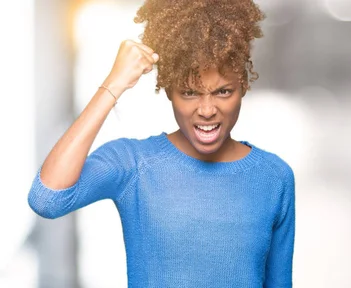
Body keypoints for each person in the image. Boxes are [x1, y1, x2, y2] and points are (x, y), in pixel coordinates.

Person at [27, 0, 295, 287]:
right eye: (189, 92)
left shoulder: (274, 177)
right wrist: (114, 84)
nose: (206, 110)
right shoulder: (134, 165)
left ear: (243, 85)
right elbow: (47, 199)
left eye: (223, 91)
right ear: (168, 90)